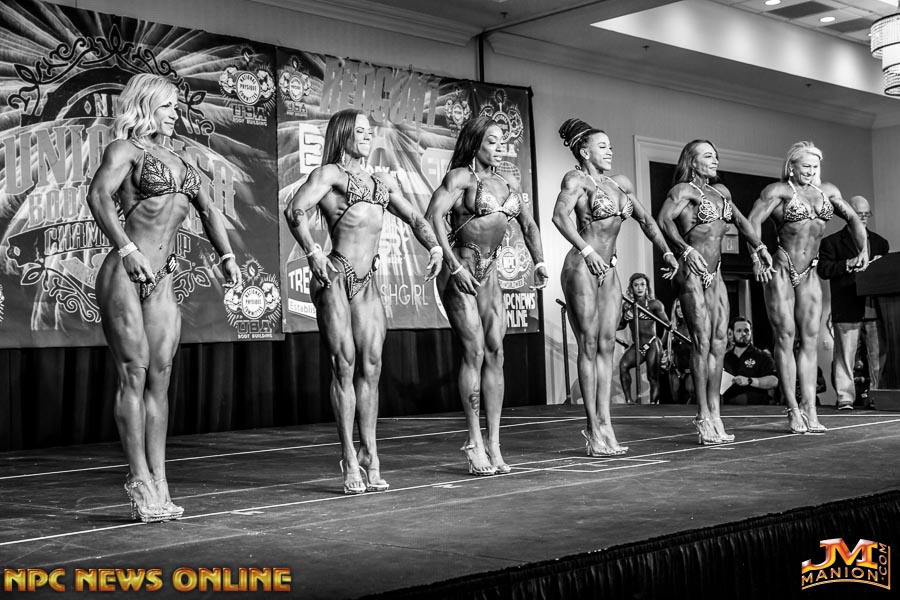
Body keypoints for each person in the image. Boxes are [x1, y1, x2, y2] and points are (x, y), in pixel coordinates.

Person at [87, 73, 241, 522]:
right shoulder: (126, 150)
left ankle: (160, 480)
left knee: (160, 376)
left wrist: (227, 256)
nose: (176, 113)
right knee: (134, 372)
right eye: (169, 106)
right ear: (147, 106)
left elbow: (208, 209)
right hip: (125, 274)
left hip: (163, 279)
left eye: (176, 106)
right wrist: (127, 249)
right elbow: (98, 196)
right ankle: (139, 480)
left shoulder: (182, 158)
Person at [284, 109, 442, 493]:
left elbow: (415, 218)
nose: (367, 137)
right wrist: (312, 251)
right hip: (335, 276)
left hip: (366, 281)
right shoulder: (330, 175)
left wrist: (435, 247)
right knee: (345, 365)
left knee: (371, 367)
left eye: (370, 131)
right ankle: (349, 458)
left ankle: (370, 453)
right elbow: (295, 209)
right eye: (360, 131)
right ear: (343, 135)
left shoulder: (381, 181)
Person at [425, 115, 548, 474]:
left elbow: (528, 224)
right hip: (460, 271)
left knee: (496, 352)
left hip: (490, 274)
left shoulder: (507, 182)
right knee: (475, 351)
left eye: (502, 142)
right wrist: (453, 265)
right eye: (492, 141)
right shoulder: (460, 178)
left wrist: (540, 262)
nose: (500, 148)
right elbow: (432, 216)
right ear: (475, 142)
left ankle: (494, 443)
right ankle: (473, 441)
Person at [551, 118, 678, 455]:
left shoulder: (620, 184)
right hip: (582, 266)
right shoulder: (576, 180)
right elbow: (559, 217)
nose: (610, 151)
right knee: (589, 344)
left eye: (610, 146)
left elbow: (647, 220)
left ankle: (606, 424)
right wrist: (587, 250)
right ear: (584, 151)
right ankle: (592, 428)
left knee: (608, 346)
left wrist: (666, 251)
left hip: (609, 270)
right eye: (602, 146)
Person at [658, 139, 773, 445]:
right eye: (707, 156)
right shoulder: (683, 191)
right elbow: (663, 220)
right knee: (702, 342)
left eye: (715, 156)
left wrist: (759, 247)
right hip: (692, 273)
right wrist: (683, 250)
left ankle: (716, 413)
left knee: (720, 343)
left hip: (717, 273)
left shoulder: (721, 193)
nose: (714, 160)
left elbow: (742, 222)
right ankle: (702, 415)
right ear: (692, 162)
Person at [748, 142, 868, 433]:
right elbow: (752, 221)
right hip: (782, 268)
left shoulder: (827, 191)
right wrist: (757, 255)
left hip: (810, 272)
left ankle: (810, 409)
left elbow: (853, 218)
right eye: (806, 166)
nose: (811, 171)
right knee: (785, 337)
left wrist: (863, 249)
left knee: (810, 341)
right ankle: (792, 409)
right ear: (791, 167)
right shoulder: (778, 191)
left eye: (815, 166)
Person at [817, 195, 889, 410]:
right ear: (847, 214)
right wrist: (847, 263)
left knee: (878, 357)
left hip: (874, 308)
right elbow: (824, 270)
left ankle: (878, 396)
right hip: (847, 306)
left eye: (867, 214)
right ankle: (845, 398)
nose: (863, 218)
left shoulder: (880, 242)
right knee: (845, 357)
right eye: (859, 214)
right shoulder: (831, 242)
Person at [618, 273, 670, 405]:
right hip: (638, 346)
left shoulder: (654, 304)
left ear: (647, 287)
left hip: (652, 344)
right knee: (623, 365)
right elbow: (621, 325)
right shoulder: (627, 306)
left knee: (652, 377)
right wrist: (606, 327)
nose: (639, 288)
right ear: (631, 288)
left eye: (642, 284)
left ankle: (653, 404)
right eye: (636, 285)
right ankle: (629, 400)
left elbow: (668, 326)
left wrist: (662, 344)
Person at [722, 316, 778, 405]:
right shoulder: (725, 358)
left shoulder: (762, 356)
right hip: (728, 407)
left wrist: (749, 381)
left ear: (751, 332)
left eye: (746, 330)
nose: (743, 334)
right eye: (739, 331)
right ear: (732, 333)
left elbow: (774, 381)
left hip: (756, 407)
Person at [664, 299, 694, 404]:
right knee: (676, 398)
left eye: (682, 306)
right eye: (677, 307)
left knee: (691, 393)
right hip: (675, 368)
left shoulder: (694, 327)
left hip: (690, 367)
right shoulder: (672, 327)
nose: (680, 310)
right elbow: (662, 345)